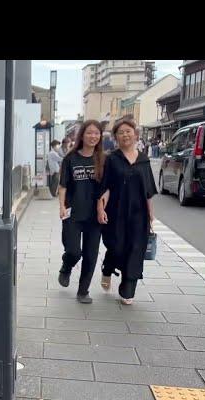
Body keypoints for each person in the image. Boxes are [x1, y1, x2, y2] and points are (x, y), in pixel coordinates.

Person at [97, 117, 157, 305]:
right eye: (121, 132)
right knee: (117, 246)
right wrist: (101, 208)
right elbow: (105, 186)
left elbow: (148, 191)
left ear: (135, 135)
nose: (125, 135)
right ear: (116, 137)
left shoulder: (144, 160)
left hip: (138, 214)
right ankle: (107, 268)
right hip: (116, 211)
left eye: (128, 131)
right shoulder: (112, 159)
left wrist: (151, 215)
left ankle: (128, 289)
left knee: (135, 249)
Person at [57, 120, 105, 304]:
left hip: (94, 215)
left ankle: (83, 291)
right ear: (82, 135)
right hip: (73, 213)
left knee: (91, 254)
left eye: (96, 133)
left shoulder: (102, 159)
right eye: (89, 133)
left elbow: (107, 187)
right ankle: (66, 266)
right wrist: (61, 206)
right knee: (74, 251)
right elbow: (63, 186)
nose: (93, 136)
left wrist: (102, 207)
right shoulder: (71, 158)